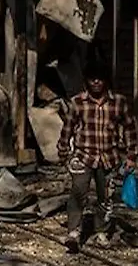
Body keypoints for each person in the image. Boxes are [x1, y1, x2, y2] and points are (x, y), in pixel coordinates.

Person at [57, 62, 137, 252]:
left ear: (106, 80)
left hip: (109, 157)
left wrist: (132, 155)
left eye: (100, 78)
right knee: (78, 193)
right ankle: (73, 233)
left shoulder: (118, 102)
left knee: (105, 197)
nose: (96, 82)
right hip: (83, 156)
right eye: (92, 78)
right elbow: (67, 129)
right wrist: (63, 153)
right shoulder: (78, 103)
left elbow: (130, 128)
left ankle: (101, 231)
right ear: (86, 80)